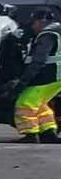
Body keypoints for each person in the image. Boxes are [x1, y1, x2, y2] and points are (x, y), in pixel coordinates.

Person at [11, 8, 61, 142]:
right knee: (40, 104)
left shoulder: (48, 34)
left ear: (41, 22)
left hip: (47, 76)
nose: (33, 27)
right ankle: (49, 132)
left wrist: (25, 80)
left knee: (24, 103)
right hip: (57, 79)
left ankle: (31, 134)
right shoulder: (59, 31)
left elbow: (39, 59)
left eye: (34, 23)